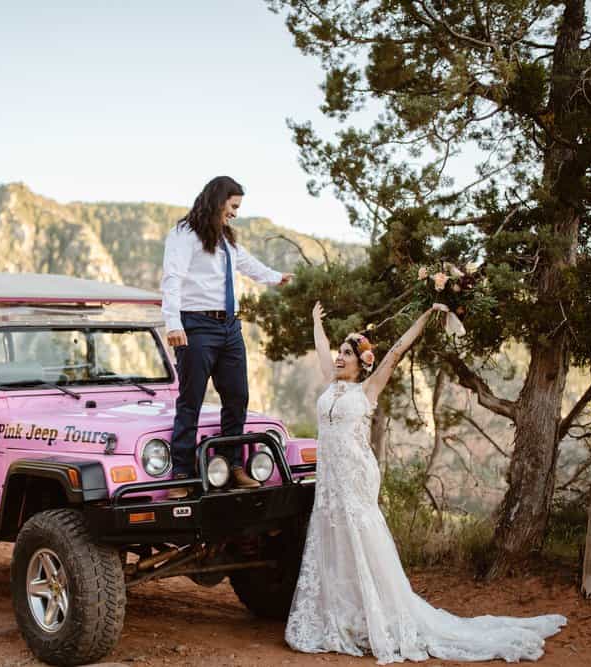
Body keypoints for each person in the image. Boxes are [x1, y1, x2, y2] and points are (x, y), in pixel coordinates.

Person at [285, 301, 567, 663]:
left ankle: (378, 613)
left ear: (361, 363)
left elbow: (399, 349)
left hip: (355, 478)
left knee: (361, 538)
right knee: (333, 540)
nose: (338, 357)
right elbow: (321, 349)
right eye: (339, 351)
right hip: (330, 482)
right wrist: (314, 323)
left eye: (347, 353)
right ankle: (344, 615)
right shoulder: (331, 384)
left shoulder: (367, 390)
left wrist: (424, 317)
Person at [161, 176, 293, 499]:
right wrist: (173, 323)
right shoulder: (184, 235)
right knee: (190, 400)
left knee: (237, 397)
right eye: (233, 206)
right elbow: (172, 279)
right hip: (196, 326)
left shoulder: (226, 240)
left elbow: (247, 265)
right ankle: (181, 473)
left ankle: (234, 465)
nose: (235, 213)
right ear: (218, 201)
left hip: (230, 328)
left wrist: (277, 278)